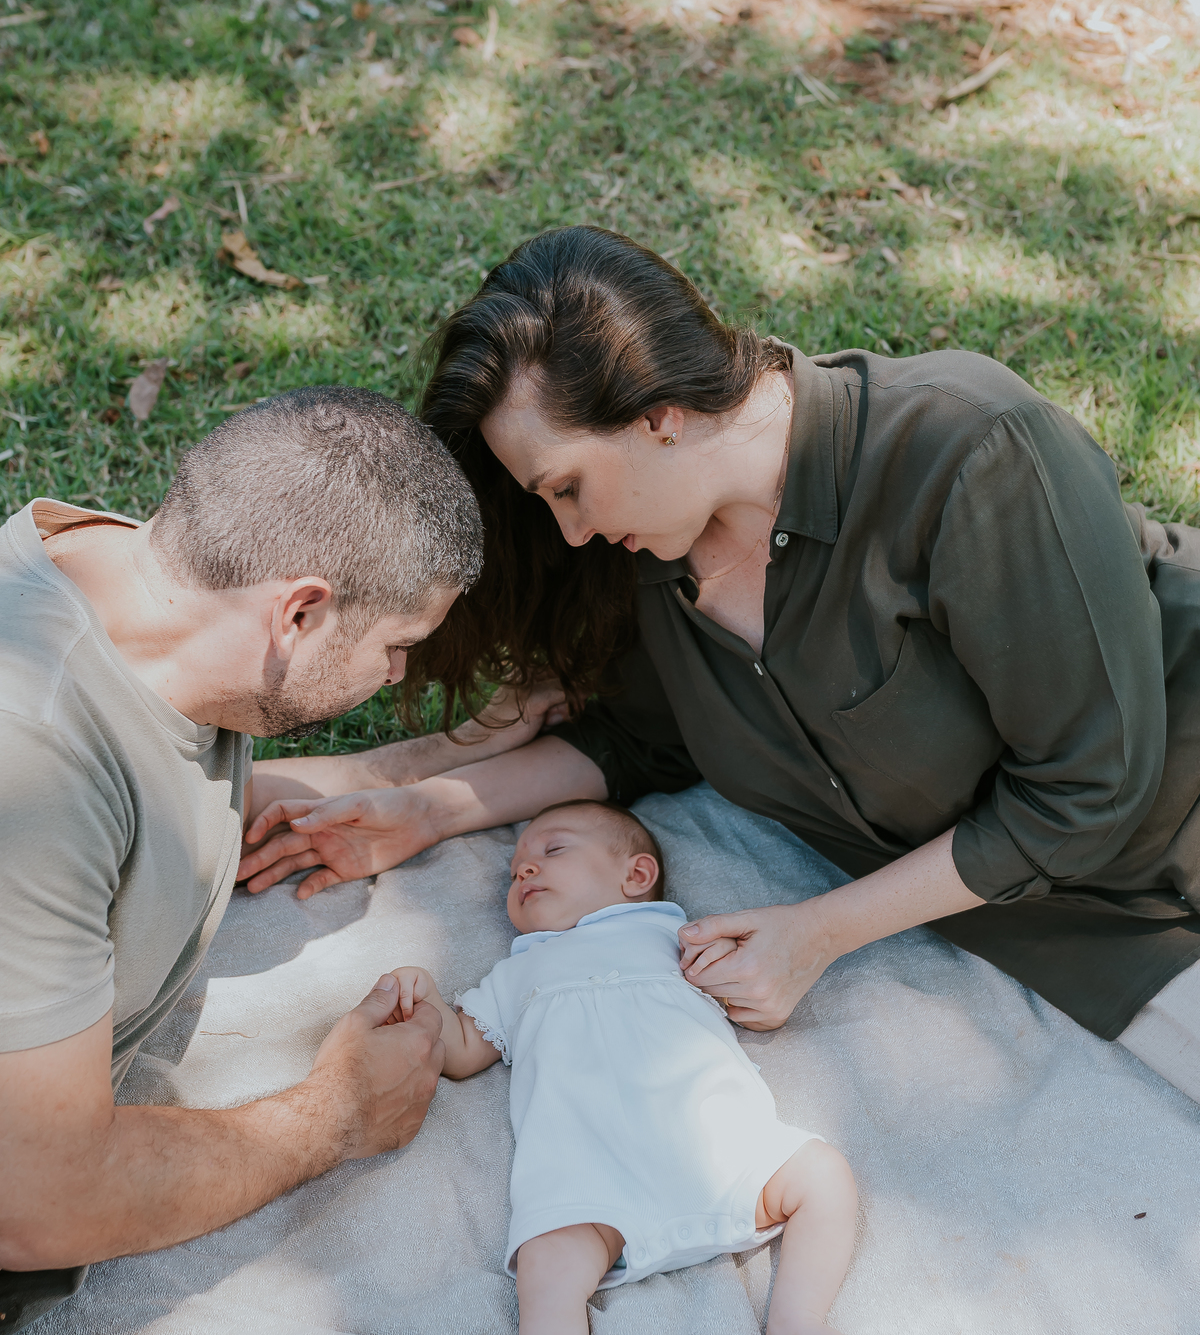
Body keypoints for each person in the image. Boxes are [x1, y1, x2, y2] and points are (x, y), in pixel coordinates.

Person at [239, 227, 1200, 1103]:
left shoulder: (970, 453)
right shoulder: (655, 552)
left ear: (662, 414)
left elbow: (1090, 788)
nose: (570, 530)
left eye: (568, 487)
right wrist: (427, 806)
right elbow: (641, 741)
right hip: (1079, 924)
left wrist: (817, 932)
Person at [0, 386, 539, 1335]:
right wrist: (334, 1117)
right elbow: (41, 1198)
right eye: (401, 647)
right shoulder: (35, 768)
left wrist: (402, 791)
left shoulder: (127, 578)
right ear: (298, 610)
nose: (401, 675)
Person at [390, 797, 870, 1335]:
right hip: (592, 1183)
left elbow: (755, 980)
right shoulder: (517, 973)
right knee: (546, 1276)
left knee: (822, 1173)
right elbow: (462, 1053)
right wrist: (426, 999)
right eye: (516, 867)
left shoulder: (675, 936)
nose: (523, 866)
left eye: (552, 850)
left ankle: (796, 1322)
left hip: (721, 1147)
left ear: (637, 874)